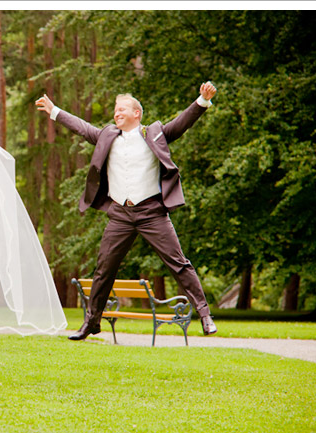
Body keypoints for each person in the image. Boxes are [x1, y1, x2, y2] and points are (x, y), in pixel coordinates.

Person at [35, 82, 218, 340]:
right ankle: (92, 322)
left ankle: (205, 315)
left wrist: (202, 101)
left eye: (122, 109)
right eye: (115, 109)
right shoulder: (106, 136)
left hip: (152, 212)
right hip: (121, 214)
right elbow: (81, 127)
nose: (116, 113)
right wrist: (55, 111)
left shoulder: (155, 133)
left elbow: (182, 122)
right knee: (104, 269)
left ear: (137, 114)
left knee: (178, 263)